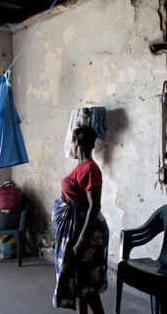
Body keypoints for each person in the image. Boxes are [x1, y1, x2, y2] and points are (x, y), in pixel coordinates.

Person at [53, 126, 109, 314]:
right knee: (79, 282)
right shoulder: (81, 166)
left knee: (86, 284)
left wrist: (81, 240)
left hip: (88, 232)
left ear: (77, 143)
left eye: (72, 141)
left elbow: (94, 206)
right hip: (78, 227)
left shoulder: (90, 169)